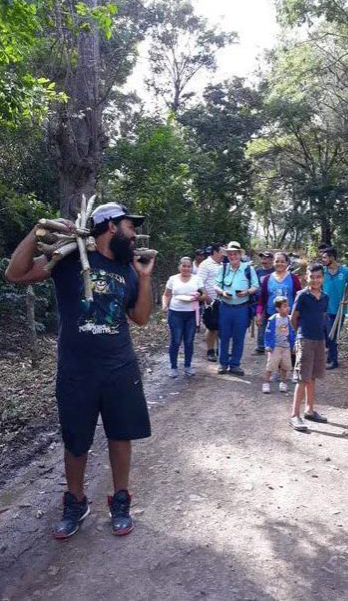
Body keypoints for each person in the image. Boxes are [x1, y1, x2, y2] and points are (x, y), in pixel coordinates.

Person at [6, 202, 156, 539]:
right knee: (76, 440)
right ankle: (75, 502)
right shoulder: (68, 259)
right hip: (77, 370)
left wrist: (144, 279)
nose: (135, 235)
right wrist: (38, 230)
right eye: (130, 227)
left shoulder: (128, 269)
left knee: (121, 436)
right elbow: (15, 274)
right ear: (110, 226)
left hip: (120, 366)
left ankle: (120, 501)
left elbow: (141, 318)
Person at [289, 263, 329, 431]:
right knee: (302, 377)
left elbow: (323, 317)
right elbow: (293, 318)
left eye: (318, 277)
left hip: (319, 340)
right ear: (306, 277)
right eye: (312, 277)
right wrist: (300, 335)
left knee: (312, 376)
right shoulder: (302, 295)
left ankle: (309, 410)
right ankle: (294, 415)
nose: (315, 280)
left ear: (322, 278)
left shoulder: (325, 297)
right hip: (305, 339)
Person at [214, 240, 259, 375]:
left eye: (235, 254)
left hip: (242, 308)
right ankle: (223, 364)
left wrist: (247, 292)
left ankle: (235, 364)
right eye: (230, 254)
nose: (233, 256)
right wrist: (222, 292)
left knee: (239, 337)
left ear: (240, 254)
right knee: (224, 336)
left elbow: (255, 286)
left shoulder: (248, 269)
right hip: (225, 307)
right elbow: (216, 285)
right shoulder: (223, 269)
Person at [162, 257, 207, 377]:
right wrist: (165, 304)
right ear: (179, 267)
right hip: (175, 313)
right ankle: (173, 367)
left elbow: (205, 295)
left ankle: (188, 366)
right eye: (184, 266)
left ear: (191, 267)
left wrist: (199, 297)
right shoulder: (173, 279)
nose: (186, 268)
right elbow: (166, 295)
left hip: (191, 313)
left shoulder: (197, 279)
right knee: (176, 340)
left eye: (188, 266)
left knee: (189, 341)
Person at [321, 247, 348, 370]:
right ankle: (330, 357)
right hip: (324, 309)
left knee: (333, 335)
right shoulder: (322, 271)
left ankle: (333, 361)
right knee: (326, 335)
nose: (323, 259)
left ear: (332, 257)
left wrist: (346, 297)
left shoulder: (345, 271)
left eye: (325, 257)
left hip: (339, 309)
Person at [262, 296, 296, 394]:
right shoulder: (273, 319)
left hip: (286, 346)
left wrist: (293, 344)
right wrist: (268, 345)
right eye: (284, 306)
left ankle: (283, 382)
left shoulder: (289, 319)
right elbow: (268, 333)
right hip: (275, 347)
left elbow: (292, 332)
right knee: (271, 366)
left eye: (288, 306)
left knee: (285, 366)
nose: (287, 308)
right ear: (278, 309)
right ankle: (266, 383)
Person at [198, 244, 224, 362]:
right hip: (210, 302)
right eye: (221, 252)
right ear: (214, 252)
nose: (223, 254)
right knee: (212, 326)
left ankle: (221, 349)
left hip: (223, 301)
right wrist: (207, 297)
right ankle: (210, 350)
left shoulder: (223, 264)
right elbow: (199, 282)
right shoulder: (205, 264)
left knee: (222, 326)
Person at [253, 251, 275, 355]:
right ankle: (260, 347)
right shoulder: (257, 271)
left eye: (266, 258)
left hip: (272, 300)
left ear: (271, 259)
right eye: (262, 258)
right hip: (259, 301)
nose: (264, 261)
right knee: (261, 323)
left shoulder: (275, 271)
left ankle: (274, 345)